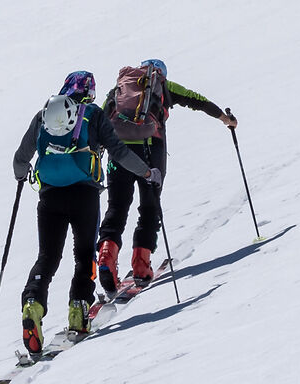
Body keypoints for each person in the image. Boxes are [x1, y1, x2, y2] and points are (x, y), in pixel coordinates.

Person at [11, 71, 154, 357]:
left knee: (47, 257)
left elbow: (21, 158)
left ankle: (33, 303)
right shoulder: (93, 115)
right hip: (84, 195)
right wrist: (146, 172)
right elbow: (118, 152)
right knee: (84, 254)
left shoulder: (45, 114)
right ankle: (79, 308)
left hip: (49, 196)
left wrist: (20, 174)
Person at [96, 59, 236, 295]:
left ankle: (106, 258)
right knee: (149, 207)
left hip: (118, 152)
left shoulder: (120, 88)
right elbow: (196, 99)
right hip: (151, 150)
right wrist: (225, 118)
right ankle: (141, 266)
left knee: (116, 208)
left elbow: (101, 120)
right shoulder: (163, 85)